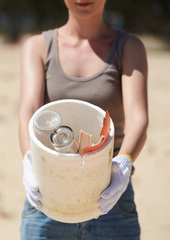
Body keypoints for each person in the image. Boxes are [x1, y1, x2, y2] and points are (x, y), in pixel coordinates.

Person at [18, 0, 148, 239]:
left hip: (110, 193)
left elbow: (138, 117)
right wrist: (28, 160)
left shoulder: (129, 47)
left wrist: (123, 165)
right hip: (48, 190)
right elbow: (28, 111)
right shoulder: (38, 47)